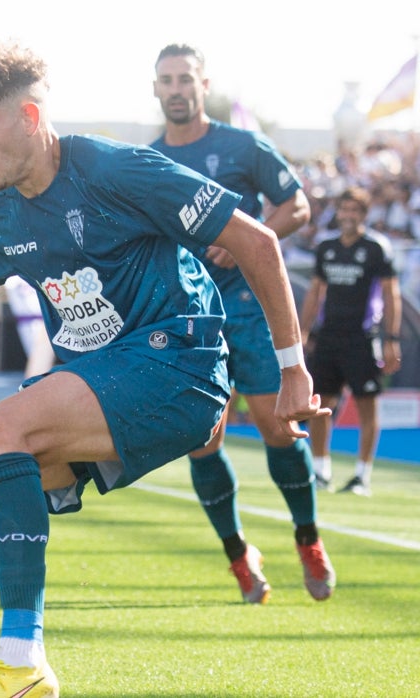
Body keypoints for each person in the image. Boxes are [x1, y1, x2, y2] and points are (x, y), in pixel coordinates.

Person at [0, 41, 325, 698]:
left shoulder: (116, 168)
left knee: (9, 425)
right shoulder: (5, 209)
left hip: (180, 365)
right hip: (105, 384)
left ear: (31, 119)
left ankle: (23, 661)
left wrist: (293, 370)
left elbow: (256, 240)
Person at [150, 43, 335, 604]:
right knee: (202, 440)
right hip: (191, 315)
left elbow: (297, 207)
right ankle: (238, 555)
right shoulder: (147, 160)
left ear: (205, 86)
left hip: (252, 308)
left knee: (279, 427)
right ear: (155, 89)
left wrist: (250, 239)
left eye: (186, 78)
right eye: (167, 80)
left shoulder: (240, 145)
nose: (177, 88)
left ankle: (308, 539)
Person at [299, 185, 402, 496]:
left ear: (364, 215)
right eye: (344, 210)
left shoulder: (376, 248)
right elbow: (315, 292)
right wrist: (302, 332)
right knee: (321, 405)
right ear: (338, 212)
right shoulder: (326, 247)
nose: (348, 216)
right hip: (329, 336)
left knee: (366, 406)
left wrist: (391, 337)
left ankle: (362, 476)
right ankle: (320, 472)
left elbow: (390, 293)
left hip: (362, 337)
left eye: (355, 211)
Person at [3, 275, 55, 378]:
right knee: (33, 356)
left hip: (44, 319)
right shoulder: (12, 278)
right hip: (25, 320)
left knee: (41, 359)